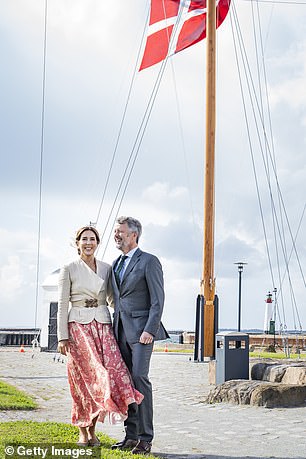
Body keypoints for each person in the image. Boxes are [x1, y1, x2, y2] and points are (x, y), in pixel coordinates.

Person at [57, 225, 143, 446]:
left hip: (103, 326)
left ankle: (94, 430)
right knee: (83, 381)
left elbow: (114, 300)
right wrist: (61, 337)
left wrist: (131, 322)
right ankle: (83, 432)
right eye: (84, 239)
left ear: (97, 243)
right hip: (78, 328)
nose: (88, 243)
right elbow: (62, 303)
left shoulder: (106, 268)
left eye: (92, 239)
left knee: (109, 376)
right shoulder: (69, 268)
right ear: (77, 243)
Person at [111, 216, 169, 455]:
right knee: (126, 383)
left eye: (120, 232)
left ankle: (146, 438)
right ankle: (130, 436)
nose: (117, 235)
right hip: (120, 331)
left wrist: (149, 330)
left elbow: (158, 300)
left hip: (142, 333)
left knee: (139, 379)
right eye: (116, 232)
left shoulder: (149, 261)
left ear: (133, 234)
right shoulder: (115, 263)